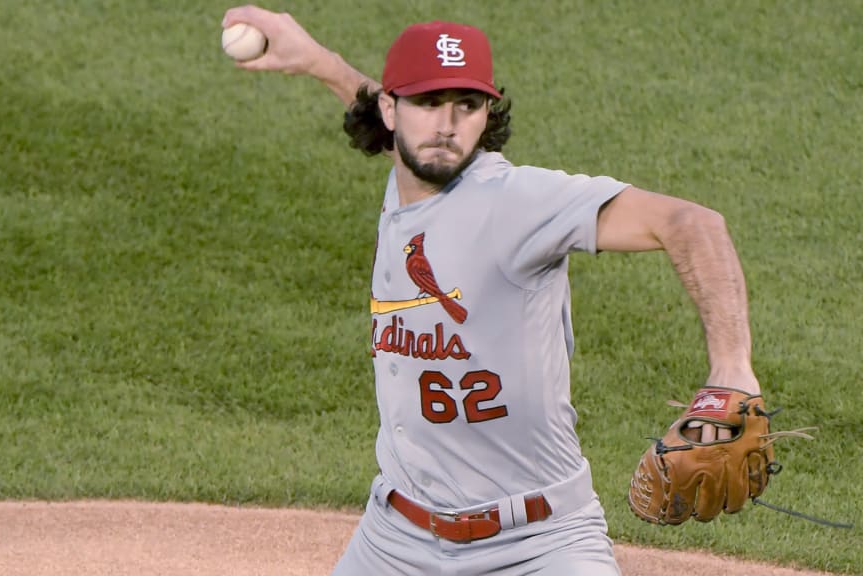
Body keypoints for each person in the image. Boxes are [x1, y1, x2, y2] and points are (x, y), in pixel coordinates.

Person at [222, 6, 762, 575]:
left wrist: (731, 367)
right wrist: (318, 62)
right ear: (390, 109)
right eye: (429, 103)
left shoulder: (516, 203)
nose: (447, 125)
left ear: (487, 113)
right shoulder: (411, 176)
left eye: (468, 105)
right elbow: (408, 140)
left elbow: (692, 224)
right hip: (396, 539)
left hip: (538, 543)